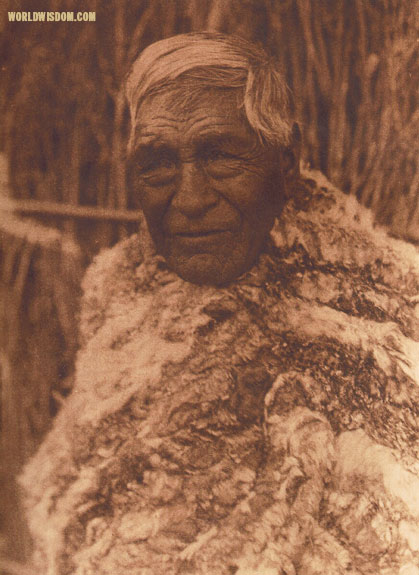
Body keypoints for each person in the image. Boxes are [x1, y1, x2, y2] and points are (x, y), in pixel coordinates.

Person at [20, 32, 419, 575]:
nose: (189, 199)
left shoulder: (382, 316)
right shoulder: (120, 293)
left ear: (287, 160)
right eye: (157, 163)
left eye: (221, 156)